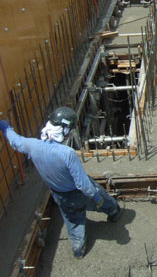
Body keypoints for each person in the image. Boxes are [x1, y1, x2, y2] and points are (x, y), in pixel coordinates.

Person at [0, 108, 123, 259]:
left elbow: (15, 141)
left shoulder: (33, 146)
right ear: (64, 130)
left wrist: (6, 127)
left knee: (73, 220)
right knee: (104, 200)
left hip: (59, 195)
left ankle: (78, 249)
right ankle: (114, 213)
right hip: (79, 193)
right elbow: (83, 185)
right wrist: (96, 197)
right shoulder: (67, 153)